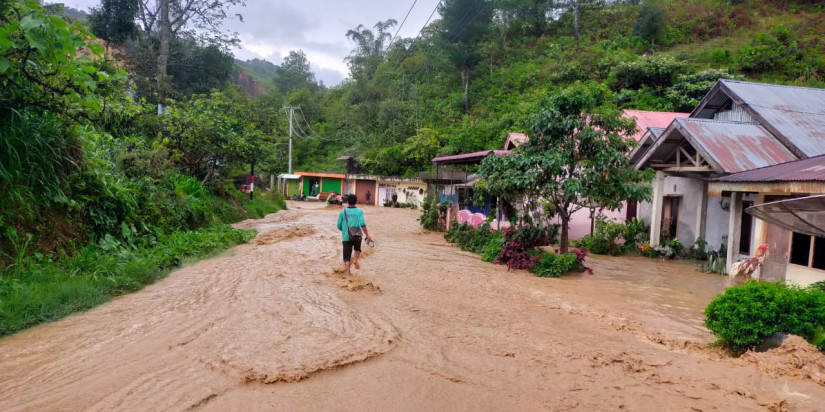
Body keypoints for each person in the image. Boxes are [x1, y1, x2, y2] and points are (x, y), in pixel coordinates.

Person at [336, 194, 372, 275]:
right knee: (357, 249)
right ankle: (355, 259)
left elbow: (338, 225)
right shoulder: (359, 211)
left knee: (347, 257)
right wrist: (367, 235)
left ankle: (348, 274)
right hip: (357, 235)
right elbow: (362, 224)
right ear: (356, 201)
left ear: (347, 201)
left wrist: (345, 230)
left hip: (346, 236)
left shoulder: (342, 212)